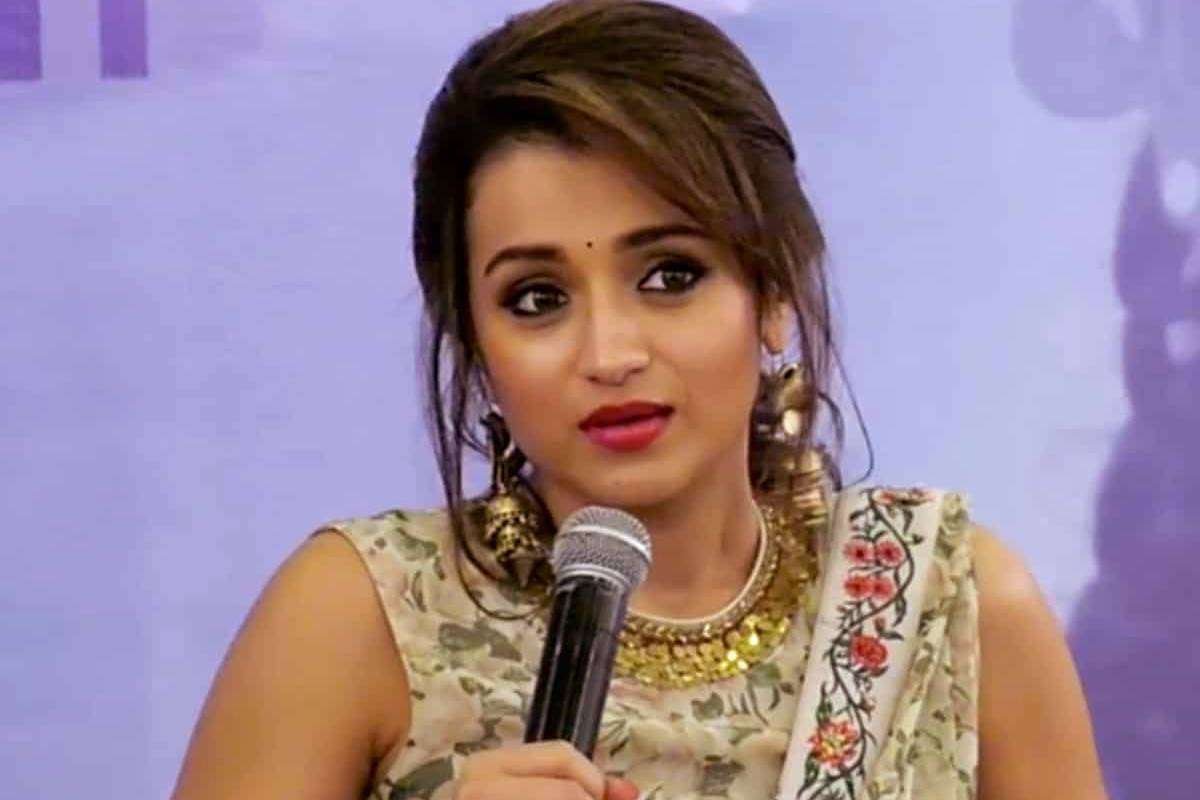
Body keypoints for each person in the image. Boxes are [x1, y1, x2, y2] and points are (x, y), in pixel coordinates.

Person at [171, 2, 1108, 798]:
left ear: (773, 291)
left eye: (670, 276)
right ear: (476, 343)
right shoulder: (361, 616)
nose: (610, 354)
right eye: (536, 298)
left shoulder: (950, 607)